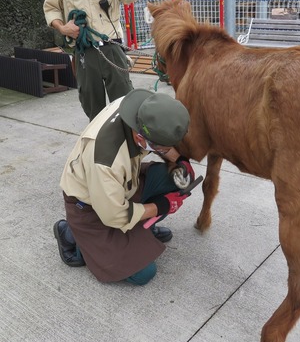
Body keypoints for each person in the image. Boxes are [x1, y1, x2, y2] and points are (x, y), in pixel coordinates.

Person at [53, 89, 195, 286]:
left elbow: (160, 141)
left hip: (124, 182)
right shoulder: (105, 160)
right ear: (139, 137)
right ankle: (71, 235)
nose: (165, 152)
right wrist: (162, 205)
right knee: (144, 273)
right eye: (162, 148)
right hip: (91, 208)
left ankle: (142, 230)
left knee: (178, 181)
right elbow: (114, 215)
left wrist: (180, 160)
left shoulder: (143, 109)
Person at [43, 0, 141, 121]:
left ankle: (127, 139)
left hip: (112, 46)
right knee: (91, 105)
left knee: (124, 103)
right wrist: (63, 28)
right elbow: (51, 8)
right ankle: (98, 139)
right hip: (84, 50)